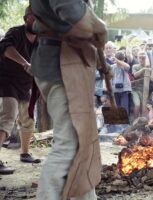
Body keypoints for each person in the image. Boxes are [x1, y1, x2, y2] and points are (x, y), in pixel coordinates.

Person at [29, 0, 107, 199]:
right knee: (69, 146)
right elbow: (74, 14)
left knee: (81, 144)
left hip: (64, 64)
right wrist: (99, 27)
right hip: (61, 67)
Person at [0, 7, 40, 175]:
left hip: (26, 84)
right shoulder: (15, 32)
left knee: (29, 118)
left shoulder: (42, 39)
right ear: (26, 18)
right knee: (8, 116)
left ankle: (25, 153)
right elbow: (5, 48)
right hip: (6, 81)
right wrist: (24, 62)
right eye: (36, 18)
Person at [132, 51, 151, 118]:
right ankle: (135, 120)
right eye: (139, 58)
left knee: (145, 106)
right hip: (135, 90)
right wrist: (143, 69)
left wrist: (150, 70)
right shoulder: (135, 66)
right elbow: (135, 75)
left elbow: (152, 79)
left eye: (143, 58)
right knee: (137, 104)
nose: (141, 60)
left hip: (145, 90)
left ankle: (143, 121)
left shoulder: (149, 67)